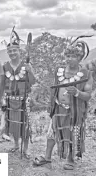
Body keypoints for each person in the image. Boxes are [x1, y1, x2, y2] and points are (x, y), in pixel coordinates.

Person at [33, 36, 93, 170]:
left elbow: (88, 96)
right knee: (52, 133)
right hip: (58, 108)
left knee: (72, 134)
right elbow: (54, 89)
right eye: (68, 56)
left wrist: (77, 93)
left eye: (73, 56)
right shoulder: (59, 70)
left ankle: (70, 159)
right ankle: (47, 157)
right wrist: (51, 104)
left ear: (79, 58)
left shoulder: (86, 74)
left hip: (75, 111)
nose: (69, 58)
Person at [0, 27, 35, 158]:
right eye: (10, 51)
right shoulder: (5, 66)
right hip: (10, 99)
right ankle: (15, 144)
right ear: (7, 52)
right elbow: (2, 84)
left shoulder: (26, 66)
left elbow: (32, 82)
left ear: (19, 51)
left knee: (24, 125)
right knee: (13, 124)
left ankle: (25, 149)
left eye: (15, 50)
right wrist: (2, 99)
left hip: (22, 100)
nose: (12, 53)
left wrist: (30, 71)